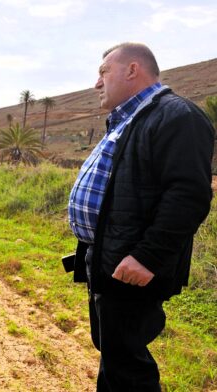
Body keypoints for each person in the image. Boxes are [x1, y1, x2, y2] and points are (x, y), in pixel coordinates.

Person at [65, 42, 214, 391]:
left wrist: (147, 257)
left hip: (132, 267)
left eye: (103, 72)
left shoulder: (178, 116)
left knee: (127, 365)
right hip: (110, 260)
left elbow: (188, 195)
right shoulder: (132, 118)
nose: (96, 84)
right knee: (115, 353)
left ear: (133, 70)